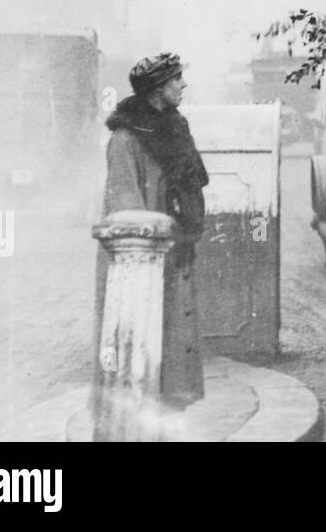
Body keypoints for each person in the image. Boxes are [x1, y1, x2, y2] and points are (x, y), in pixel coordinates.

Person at [102, 53, 208, 403]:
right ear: (157, 88)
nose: (183, 84)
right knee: (143, 347)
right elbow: (127, 215)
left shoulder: (176, 127)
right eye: (176, 79)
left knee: (175, 344)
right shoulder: (125, 139)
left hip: (177, 254)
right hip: (145, 264)